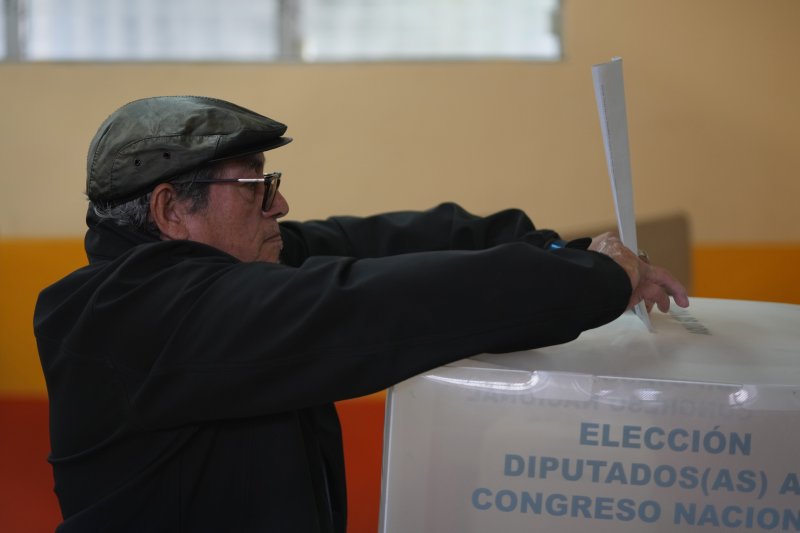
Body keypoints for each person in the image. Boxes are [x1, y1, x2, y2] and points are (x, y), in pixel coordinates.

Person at [34, 95, 688, 532]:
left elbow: (385, 242)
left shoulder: (227, 273)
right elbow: (373, 303)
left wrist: (563, 251)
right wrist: (595, 279)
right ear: (172, 209)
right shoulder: (134, 313)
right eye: (256, 186)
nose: (278, 206)